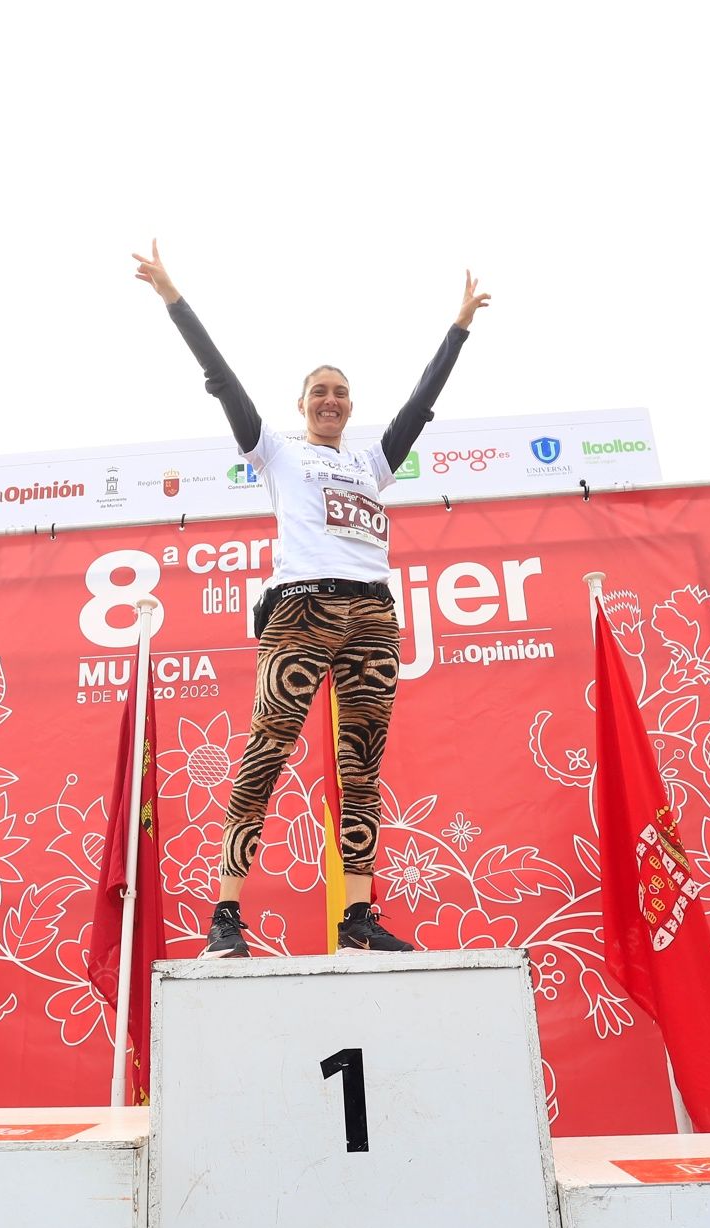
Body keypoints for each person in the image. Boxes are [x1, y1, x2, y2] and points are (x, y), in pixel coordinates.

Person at [132, 241, 488, 957]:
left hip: (373, 618)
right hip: (301, 610)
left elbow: (421, 405)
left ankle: (358, 916)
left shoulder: (371, 463)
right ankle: (226, 917)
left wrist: (458, 329)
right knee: (266, 751)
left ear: (350, 407)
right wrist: (174, 297)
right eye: (318, 391)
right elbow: (221, 379)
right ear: (301, 406)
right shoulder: (276, 451)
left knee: (363, 763)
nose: (331, 400)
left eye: (341, 392)